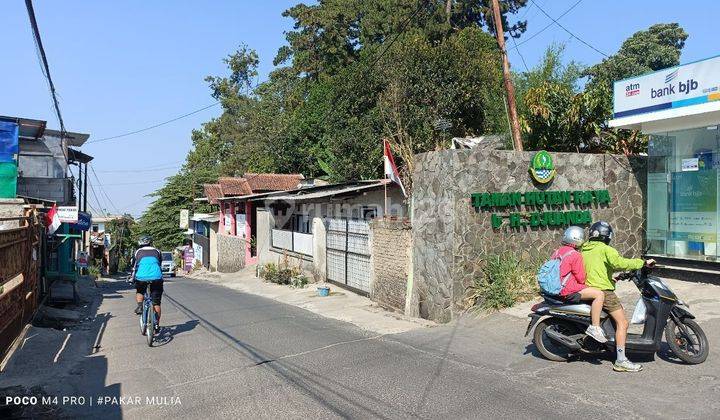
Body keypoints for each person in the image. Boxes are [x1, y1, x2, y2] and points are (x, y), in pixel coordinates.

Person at [582, 221, 655, 372]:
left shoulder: (584, 249)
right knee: (623, 323)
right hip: (604, 292)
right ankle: (621, 360)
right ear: (606, 235)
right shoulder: (605, 249)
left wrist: (613, 278)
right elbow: (619, 262)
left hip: (589, 288)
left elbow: (597, 269)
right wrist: (642, 263)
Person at [553, 226, 607, 344]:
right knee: (599, 294)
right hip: (567, 289)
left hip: (558, 287)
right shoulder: (575, 255)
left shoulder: (558, 251)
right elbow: (581, 278)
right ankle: (595, 328)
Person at [131, 235, 164, 328]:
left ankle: (140, 306)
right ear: (150, 242)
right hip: (157, 277)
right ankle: (156, 324)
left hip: (141, 277)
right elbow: (159, 264)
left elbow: (134, 267)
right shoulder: (157, 251)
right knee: (156, 303)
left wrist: (131, 278)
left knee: (140, 291)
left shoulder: (137, 252)